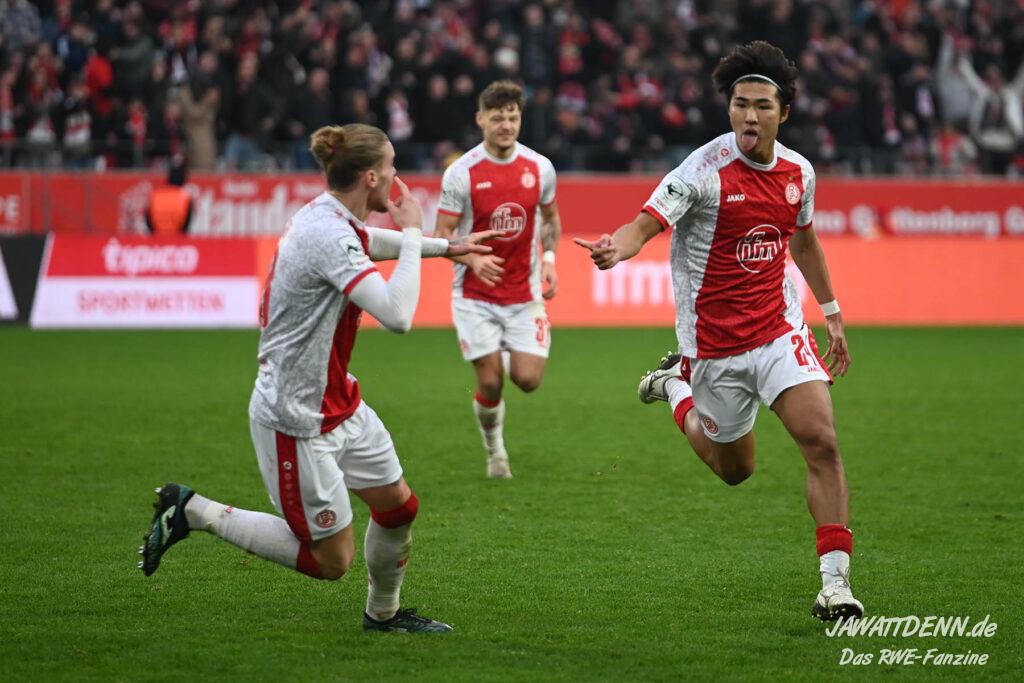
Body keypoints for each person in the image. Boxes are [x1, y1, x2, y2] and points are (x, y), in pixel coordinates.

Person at [139, 123, 496, 632]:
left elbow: (369, 241)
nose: (396, 175)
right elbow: (397, 315)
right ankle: (195, 511)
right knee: (331, 561)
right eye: (391, 166)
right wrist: (417, 233)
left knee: (398, 506)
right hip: (295, 416)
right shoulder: (327, 233)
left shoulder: (331, 217)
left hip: (338, 401)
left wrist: (447, 246)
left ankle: (383, 616)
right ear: (371, 177)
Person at [576, 42, 863, 622]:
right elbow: (643, 225)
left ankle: (835, 587)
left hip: (779, 329)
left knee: (822, 442)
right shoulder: (701, 171)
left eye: (761, 106)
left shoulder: (800, 173)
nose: (749, 117)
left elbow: (804, 241)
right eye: (739, 105)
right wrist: (616, 248)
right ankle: (674, 388)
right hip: (713, 348)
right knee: (735, 470)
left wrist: (830, 311)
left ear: (784, 112)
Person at [435, 80, 563, 479]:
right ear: (481, 120)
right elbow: (442, 235)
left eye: (512, 117)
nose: (506, 125)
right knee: (490, 383)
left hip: (524, 292)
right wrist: (472, 259)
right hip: (475, 294)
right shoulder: (461, 173)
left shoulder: (539, 168)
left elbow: (551, 220)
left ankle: (501, 350)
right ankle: (496, 453)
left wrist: (549, 259)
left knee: (527, 380)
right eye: (497, 118)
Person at [145, 158, 192, 235]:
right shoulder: (185, 197)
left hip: (156, 238)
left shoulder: (155, 195)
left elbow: (148, 220)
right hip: (177, 239)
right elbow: (186, 224)